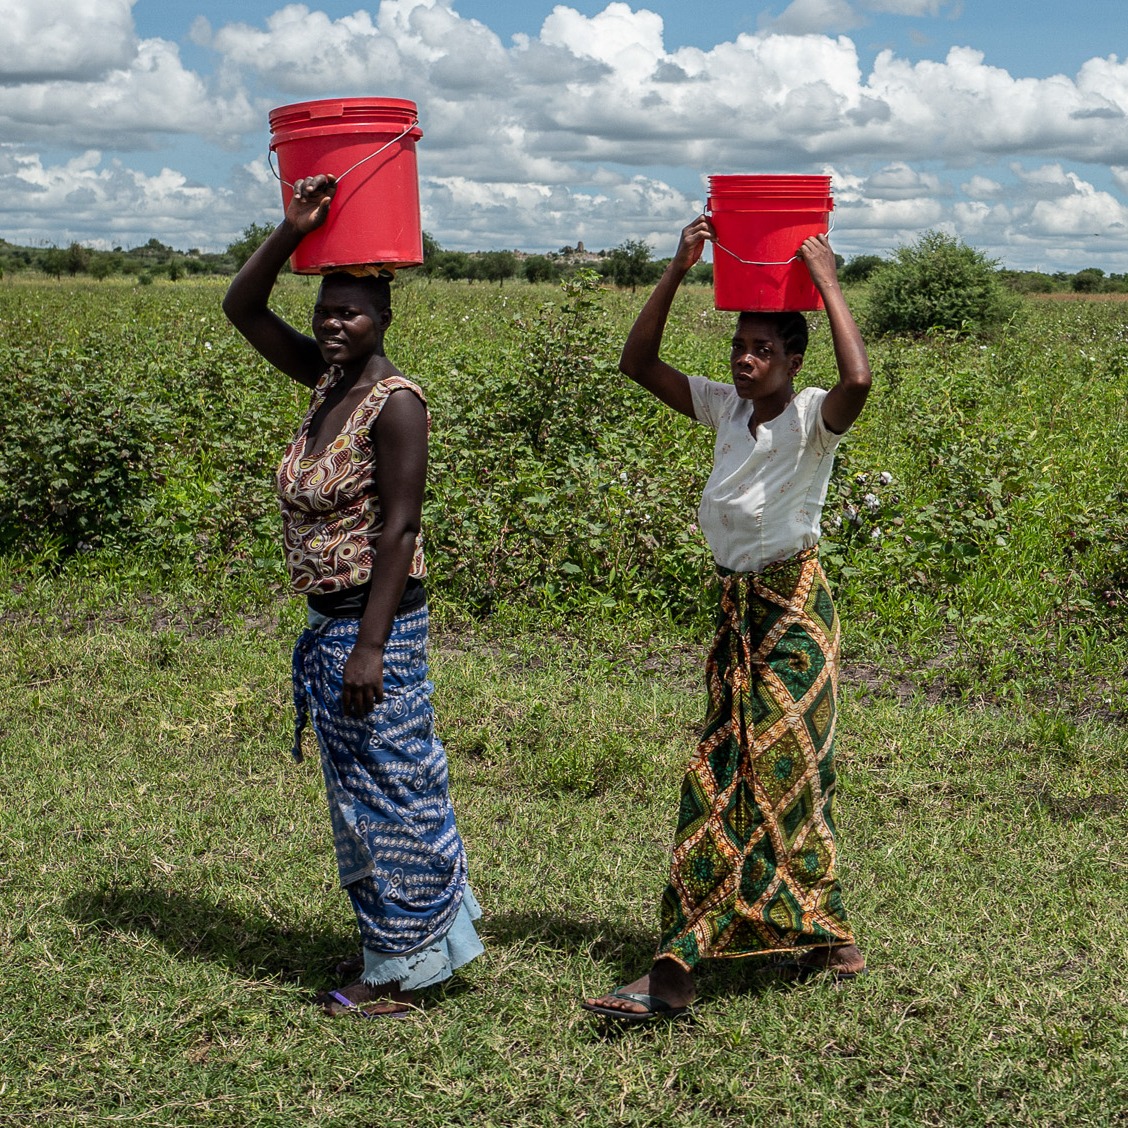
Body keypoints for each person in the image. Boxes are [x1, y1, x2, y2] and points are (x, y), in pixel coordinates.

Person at [582, 218, 870, 1023]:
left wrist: (829, 282)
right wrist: (678, 269)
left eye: (763, 350)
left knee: (765, 781)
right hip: (737, 618)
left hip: (794, 619)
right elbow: (636, 364)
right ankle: (822, 935)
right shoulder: (721, 410)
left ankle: (676, 968)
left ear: (793, 360)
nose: (744, 361)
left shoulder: (811, 419)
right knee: (756, 774)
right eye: (738, 347)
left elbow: (861, 383)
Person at [223, 174, 483, 1018]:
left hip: (377, 630)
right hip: (328, 625)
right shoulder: (326, 382)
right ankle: (407, 941)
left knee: (392, 792)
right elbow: (242, 306)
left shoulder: (395, 405)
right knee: (367, 793)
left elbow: (399, 535)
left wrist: (370, 647)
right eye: (325, 310)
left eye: (352, 312)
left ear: (385, 319)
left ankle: (399, 972)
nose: (333, 324)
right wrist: (293, 228)